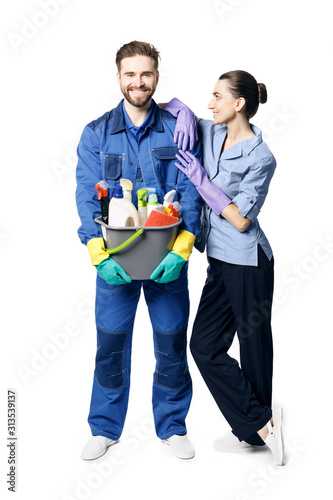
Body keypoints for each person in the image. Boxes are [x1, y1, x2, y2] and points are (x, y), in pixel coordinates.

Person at [75, 41, 202, 461]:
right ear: (118, 77)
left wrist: (183, 248)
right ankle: (105, 428)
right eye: (130, 74)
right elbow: (86, 196)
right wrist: (97, 252)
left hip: (167, 262)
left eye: (145, 74)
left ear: (157, 78)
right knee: (111, 344)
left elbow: (191, 189)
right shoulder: (96, 132)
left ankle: (173, 426)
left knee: (170, 343)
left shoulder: (176, 128)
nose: (138, 82)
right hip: (117, 262)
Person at [171, 70, 284, 465]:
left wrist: (201, 181)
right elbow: (174, 107)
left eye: (217, 97)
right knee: (203, 345)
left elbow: (241, 220)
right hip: (219, 259)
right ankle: (261, 424)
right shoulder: (213, 132)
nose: (209, 104)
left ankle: (257, 432)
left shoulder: (261, 156)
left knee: (254, 348)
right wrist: (182, 113)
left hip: (249, 261)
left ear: (238, 103)